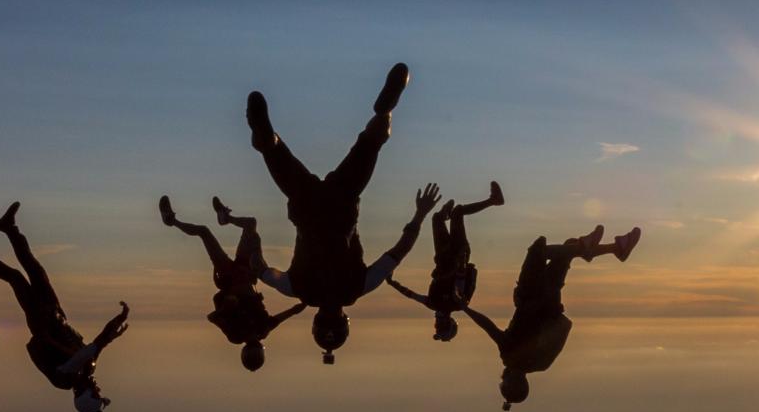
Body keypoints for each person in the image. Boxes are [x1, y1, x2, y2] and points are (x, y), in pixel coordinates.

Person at [246, 62, 440, 364]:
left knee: (374, 141)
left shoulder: (359, 288)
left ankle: (384, 112)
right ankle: (266, 136)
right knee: (273, 153)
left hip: (343, 204)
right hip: (306, 207)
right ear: (316, 322)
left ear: (345, 321)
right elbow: (262, 270)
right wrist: (251, 237)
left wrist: (420, 214)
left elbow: (398, 252)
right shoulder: (296, 290)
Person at [0, 202, 130, 412]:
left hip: (41, 319)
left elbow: (94, 347)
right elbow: (98, 347)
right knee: (34, 269)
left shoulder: (66, 378)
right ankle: (7, 228)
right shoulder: (87, 370)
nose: (99, 389)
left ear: (86, 394)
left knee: (15, 277)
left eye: (97, 394)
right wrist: (115, 330)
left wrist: (117, 322)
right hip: (56, 314)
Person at [460, 225, 641, 410]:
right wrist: (464, 308)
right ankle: (587, 248)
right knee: (538, 250)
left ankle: (616, 248)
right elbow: (488, 327)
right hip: (531, 292)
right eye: (503, 383)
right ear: (511, 382)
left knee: (568, 248)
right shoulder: (510, 356)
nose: (501, 377)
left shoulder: (542, 364)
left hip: (552, 298)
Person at [159, 195, 307, 371]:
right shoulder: (262, 330)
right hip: (246, 272)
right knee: (250, 224)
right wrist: (306, 300)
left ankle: (171, 221)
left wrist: (227, 307)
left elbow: (212, 317)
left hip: (229, 275)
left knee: (204, 232)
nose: (255, 343)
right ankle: (225, 218)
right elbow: (288, 314)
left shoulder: (236, 334)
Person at [386, 181, 505, 341]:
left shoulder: (434, 303)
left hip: (443, 256)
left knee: (438, 219)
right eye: (440, 326)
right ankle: (493, 201)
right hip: (456, 254)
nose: (436, 323)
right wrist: (461, 260)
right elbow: (460, 281)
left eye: (436, 327)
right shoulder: (455, 304)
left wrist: (393, 283)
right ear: (449, 323)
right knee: (457, 213)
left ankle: (448, 213)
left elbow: (411, 295)